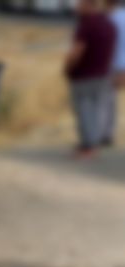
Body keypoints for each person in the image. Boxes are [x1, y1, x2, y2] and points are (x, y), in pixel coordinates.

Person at [65, 0, 117, 157]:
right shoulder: (109, 24)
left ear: (88, 5)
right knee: (97, 111)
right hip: (102, 74)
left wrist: (68, 68)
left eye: (80, 4)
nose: (77, 8)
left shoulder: (87, 25)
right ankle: (94, 142)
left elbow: (77, 51)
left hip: (85, 74)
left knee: (84, 111)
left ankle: (88, 145)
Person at [106, 0, 125, 146]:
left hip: (113, 65)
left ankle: (107, 133)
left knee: (109, 101)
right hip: (119, 64)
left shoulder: (111, 18)